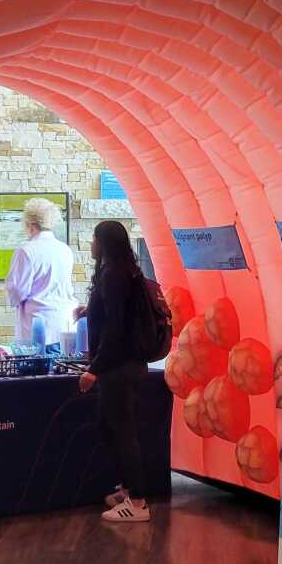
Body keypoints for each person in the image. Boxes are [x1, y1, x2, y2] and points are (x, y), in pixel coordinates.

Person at [79, 220, 169, 523]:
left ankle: (139, 502)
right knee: (109, 427)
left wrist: (95, 369)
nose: (91, 245)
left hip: (119, 368)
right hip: (125, 366)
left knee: (123, 433)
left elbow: (115, 330)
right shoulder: (124, 272)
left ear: (103, 243)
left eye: (94, 239)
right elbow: (116, 318)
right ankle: (129, 489)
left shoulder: (114, 276)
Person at [4, 197, 76, 344]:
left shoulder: (26, 250)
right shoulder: (65, 249)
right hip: (63, 324)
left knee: (35, 367)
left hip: (36, 325)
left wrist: (12, 298)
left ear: (29, 223)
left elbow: (17, 291)